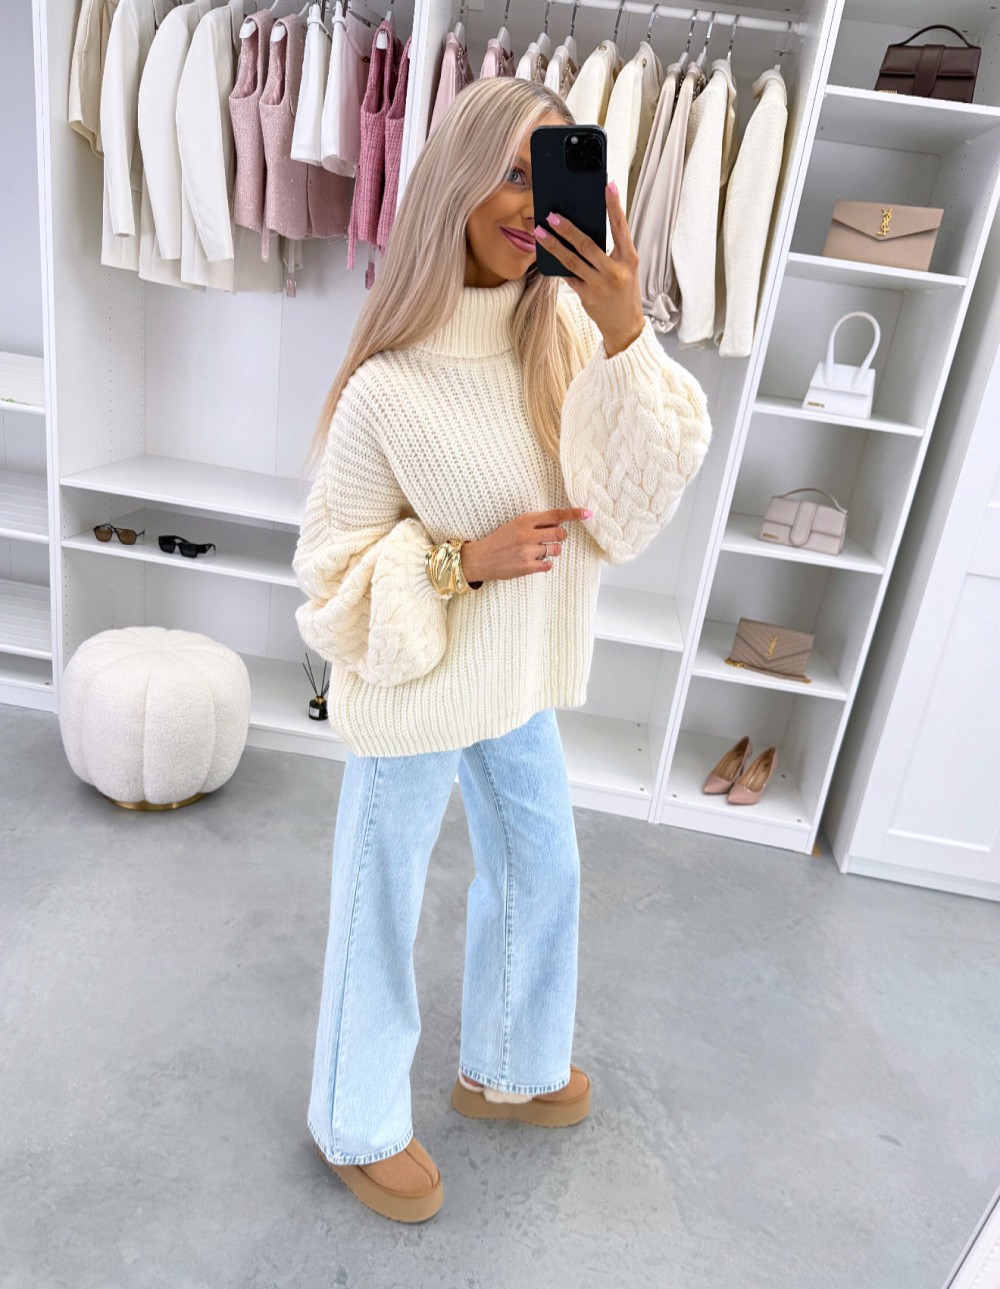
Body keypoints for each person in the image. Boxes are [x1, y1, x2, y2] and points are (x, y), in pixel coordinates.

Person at [292, 75, 712, 1224]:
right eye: (511, 172)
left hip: (516, 677)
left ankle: (508, 1067)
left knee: (541, 868)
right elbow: (328, 579)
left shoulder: (565, 335)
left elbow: (627, 510)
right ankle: (354, 1119)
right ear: (454, 182)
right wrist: (457, 563)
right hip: (414, 686)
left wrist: (626, 329)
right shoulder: (387, 388)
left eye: (550, 172)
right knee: (381, 902)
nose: (531, 202)